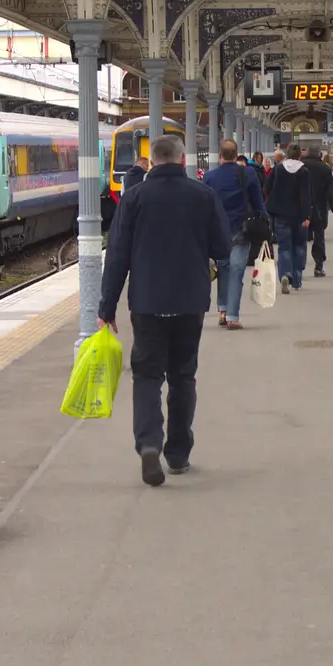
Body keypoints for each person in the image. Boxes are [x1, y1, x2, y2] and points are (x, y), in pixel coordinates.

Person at [98, 135, 231, 487]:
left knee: (146, 376)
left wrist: (106, 307)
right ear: (182, 158)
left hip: (146, 302)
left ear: (152, 161)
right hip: (189, 301)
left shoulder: (135, 198)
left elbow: (117, 257)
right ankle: (178, 453)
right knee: (183, 376)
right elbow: (222, 246)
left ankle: (148, 445)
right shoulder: (202, 195)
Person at [204, 140, 267, 330]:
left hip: (217, 231)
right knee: (236, 272)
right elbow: (258, 200)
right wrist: (264, 219)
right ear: (236, 154)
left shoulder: (209, 177)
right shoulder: (247, 173)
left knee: (223, 269)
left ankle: (222, 310)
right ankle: (232, 316)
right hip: (241, 228)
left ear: (219, 155)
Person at [265, 144, 312, 293]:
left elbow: (267, 187)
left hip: (280, 214)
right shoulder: (304, 171)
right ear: (300, 155)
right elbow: (307, 195)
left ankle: (285, 274)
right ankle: (297, 280)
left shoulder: (278, 169)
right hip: (299, 216)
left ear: (287, 154)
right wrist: (307, 215)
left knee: (284, 247)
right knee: (299, 246)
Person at [303, 146, 333, 276]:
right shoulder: (324, 169)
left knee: (300, 237)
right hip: (320, 208)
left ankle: (299, 266)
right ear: (319, 155)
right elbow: (331, 192)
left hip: (302, 208)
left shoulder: (300, 166)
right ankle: (318, 266)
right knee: (319, 236)